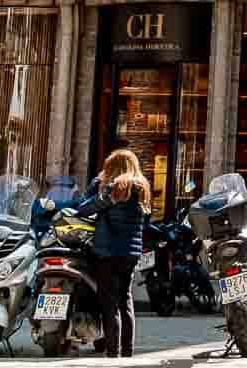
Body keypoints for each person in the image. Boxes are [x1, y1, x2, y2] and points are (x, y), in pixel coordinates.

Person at [81, 147, 150, 358]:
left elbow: (84, 208)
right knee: (125, 301)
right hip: (130, 253)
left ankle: (113, 352)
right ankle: (127, 351)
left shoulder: (113, 189)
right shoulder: (141, 188)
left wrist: (98, 185)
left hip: (108, 252)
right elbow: (146, 219)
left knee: (109, 304)